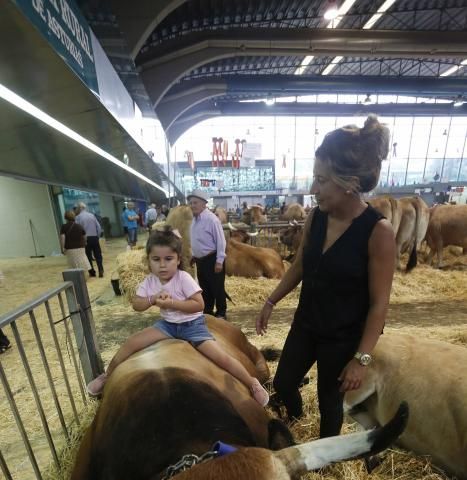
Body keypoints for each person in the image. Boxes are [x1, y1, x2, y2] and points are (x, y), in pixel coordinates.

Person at [256, 115, 395, 438]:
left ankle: (325, 460)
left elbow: (379, 304)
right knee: (283, 383)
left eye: (321, 180)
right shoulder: (316, 218)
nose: (312, 188)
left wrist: (361, 359)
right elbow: (301, 265)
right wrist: (270, 300)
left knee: (329, 402)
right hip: (307, 323)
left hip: (343, 336)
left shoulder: (377, 231)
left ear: (350, 184)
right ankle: (296, 419)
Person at [87, 228, 268, 406]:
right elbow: (137, 304)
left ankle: (252, 383)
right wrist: (152, 299)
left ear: (178, 260)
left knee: (222, 358)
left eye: (168, 259)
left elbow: (199, 305)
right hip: (168, 326)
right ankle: (107, 376)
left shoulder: (184, 278)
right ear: (148, 261)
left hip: (193, 326)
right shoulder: (151, 281)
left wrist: (171, 303)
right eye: (156, 259)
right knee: (131, 344)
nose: (162, 265)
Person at [188, 190, 228, 319]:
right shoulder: (194, 220)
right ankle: (208, 311)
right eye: (191, 203)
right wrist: (194, 255)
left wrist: (219, 261)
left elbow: (221, 241)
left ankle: (221, 312)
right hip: (201, 260)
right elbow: (197, 239)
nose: (192, 205)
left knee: (217, 288)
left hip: (212, 259)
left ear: (204, 204)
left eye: (195, 202)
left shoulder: (212, 220)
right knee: (204, 287)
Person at [75, 203, 104, 277]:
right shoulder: (92, 215)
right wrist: (97, 236)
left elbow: (77, 230)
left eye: (77, 208)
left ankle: (92, 272)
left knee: (88, 256)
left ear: (80, 208)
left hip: (85, 239)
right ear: (84, 208)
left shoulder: (78, 217)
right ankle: (100, 269)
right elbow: (99, 227)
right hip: (94, 237)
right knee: (98, 254)